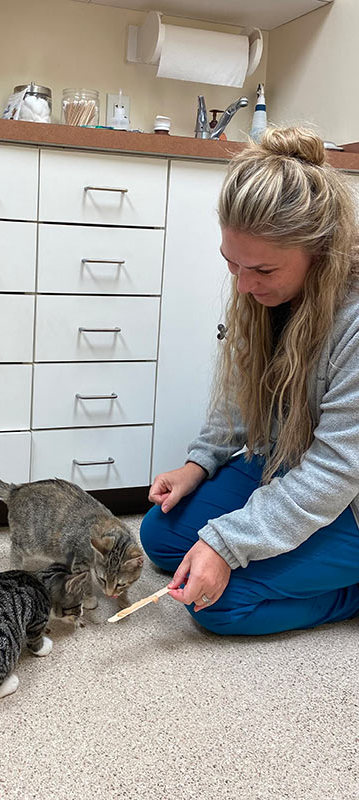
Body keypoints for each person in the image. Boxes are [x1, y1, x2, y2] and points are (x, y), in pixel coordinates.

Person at [140, 126, 359, 635]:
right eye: (231, 264)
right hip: (286, 459)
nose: (242, 285)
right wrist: (201, 462)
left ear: (319, 252)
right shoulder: (259, 288)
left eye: (261, 269)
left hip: (347, 494)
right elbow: (244, 389)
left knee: (215, 602)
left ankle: (349, 593)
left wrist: (228, 544)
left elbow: (335, 470)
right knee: (162, 538)